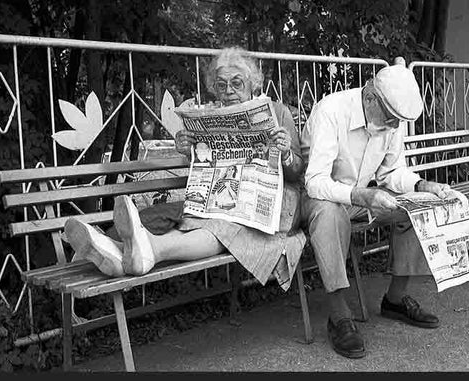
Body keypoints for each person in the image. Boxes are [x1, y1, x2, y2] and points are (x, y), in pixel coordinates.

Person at [65, 46, 306, 292]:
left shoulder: (277, 112)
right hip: (219, 203)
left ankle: (148, 250)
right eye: (221, 85)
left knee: (220, 227)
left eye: (236, 83)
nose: (229, 91)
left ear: (253, 84)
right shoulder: (211, 116)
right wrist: (190, 150)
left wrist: (286, 153)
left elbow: (297, 172)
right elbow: (208, 168)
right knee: (167, 216)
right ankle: (118, 258)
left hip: (267, 207)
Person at [300, 57, 451, 359]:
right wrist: (360, 195)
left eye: (398, 121)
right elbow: (314, 182)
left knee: (417, 208)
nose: (394, 126)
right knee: (330, 214)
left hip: (361, 196)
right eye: (390, 118)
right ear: (369, 96)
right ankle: (339, 316)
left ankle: (395, 299)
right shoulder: (332, 110)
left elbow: (391, 172)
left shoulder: (390, 119)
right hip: (318, 197)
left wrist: (423, 186)